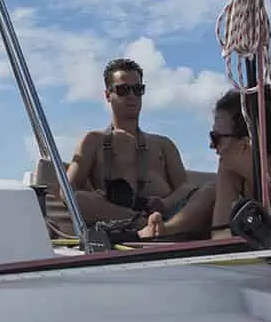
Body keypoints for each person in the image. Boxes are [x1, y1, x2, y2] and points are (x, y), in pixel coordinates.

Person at [52, 57, 207, 239]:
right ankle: (144, 226)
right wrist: (99, 199)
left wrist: (165, 203)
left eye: (138, 89)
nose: (132, 96)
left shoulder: (163, 144)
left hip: (166, 216)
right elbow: (66, 191)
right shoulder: (93, 140)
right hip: (121, 218)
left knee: (210, 190)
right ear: (108, 95)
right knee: (78, 200)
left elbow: (186, 187)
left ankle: (163, 229)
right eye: (123, 90)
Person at [208, 84, 271, 237]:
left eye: (216, 138)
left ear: (246, 142)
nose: (211, 146)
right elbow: (220, 236)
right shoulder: (229, 173)